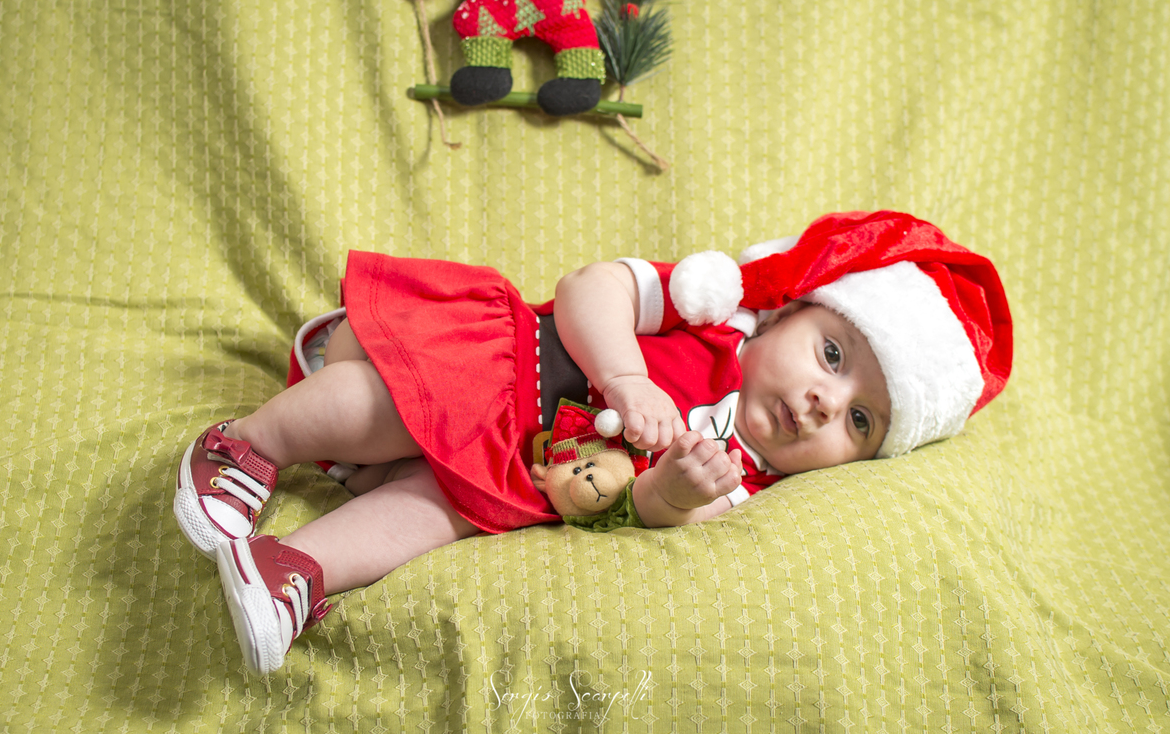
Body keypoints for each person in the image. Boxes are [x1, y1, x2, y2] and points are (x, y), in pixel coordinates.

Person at [173, 210, 1012, 673]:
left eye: (861, 422)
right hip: (497, 369)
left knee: (438, 516)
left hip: (514, 475)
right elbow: (588, 290)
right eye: (832, 355)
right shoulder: (711, 309)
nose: (827, 404)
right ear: (790, 310)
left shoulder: (741, 478)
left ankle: (294, 567)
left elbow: (639, 509)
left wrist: (674, 490)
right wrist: (624, 379)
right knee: (401, 402)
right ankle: (245, 447)